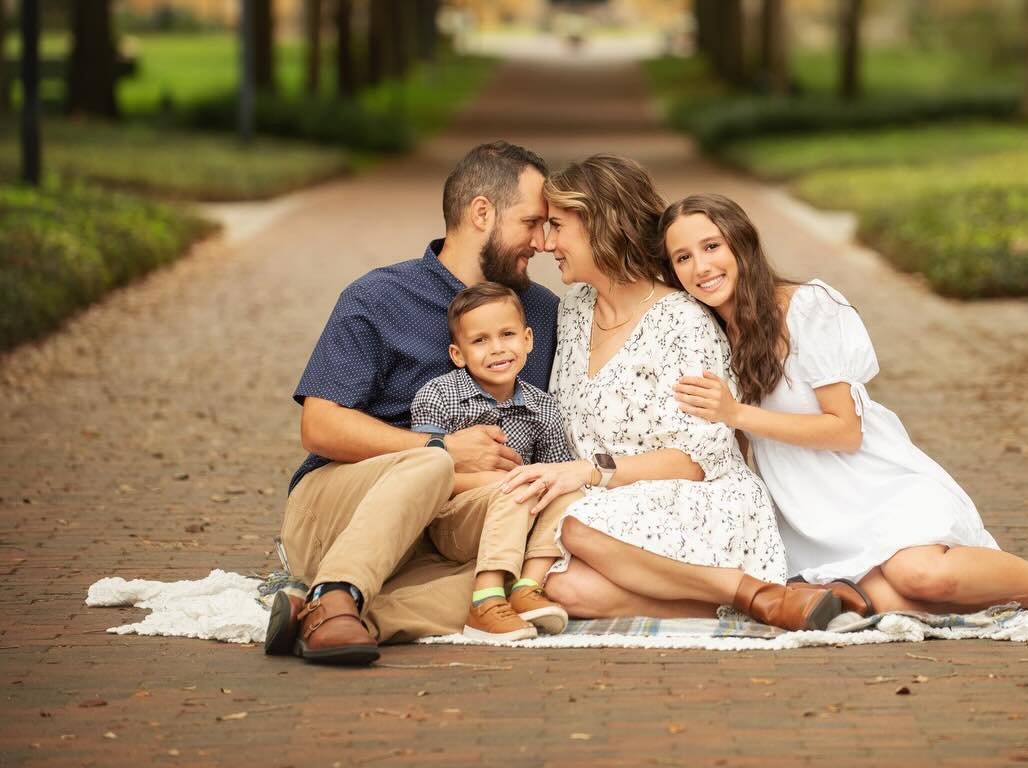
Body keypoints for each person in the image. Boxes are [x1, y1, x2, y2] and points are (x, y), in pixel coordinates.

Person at [659, 193, 1028, 621]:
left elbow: (845, 430)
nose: (700, 267)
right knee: (889, 599)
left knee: (919, 574)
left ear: (741, 245)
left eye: (711, 246)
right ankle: (1027, 595)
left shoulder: (807, 308)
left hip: (869, 480)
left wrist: (737, 413)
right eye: (683, 257)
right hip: (805, 509)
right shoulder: (702, 336)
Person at [498, 155, 843, 631]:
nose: (545, 243)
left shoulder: (681, 319)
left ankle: (756, 593)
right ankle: (745, 601)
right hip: (613, 510)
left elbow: (696, 459)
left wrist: (590, 473)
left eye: (557, 225)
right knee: (560, 586)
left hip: (697, 502)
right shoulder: (575, 309)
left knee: (574, 526)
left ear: (601, 224)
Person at [264, 141, 559, 665]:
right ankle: (337, 590)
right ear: (482, 213)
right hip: (343, 512)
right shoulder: (379, 297)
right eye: (532, 222)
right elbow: (320, 426)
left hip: (448, 532)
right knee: (430, 464)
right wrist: (441, 447)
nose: (541, 241)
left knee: (523, 579)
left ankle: (343, 619)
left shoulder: (540, 314)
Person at [410, 282, 576, 643]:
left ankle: (528, 586)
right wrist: (501, 483)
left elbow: (554, 479)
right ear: (458, 353)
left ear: (528, 339)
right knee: (514, 489)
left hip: (520, 523)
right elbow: (420, 477)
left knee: (570, 492)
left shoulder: (544, 408)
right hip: (454, 523)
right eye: (480, 340)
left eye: (507, 334)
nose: (498, 348)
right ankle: (485, 601)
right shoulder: (439, 396)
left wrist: (540, 483)